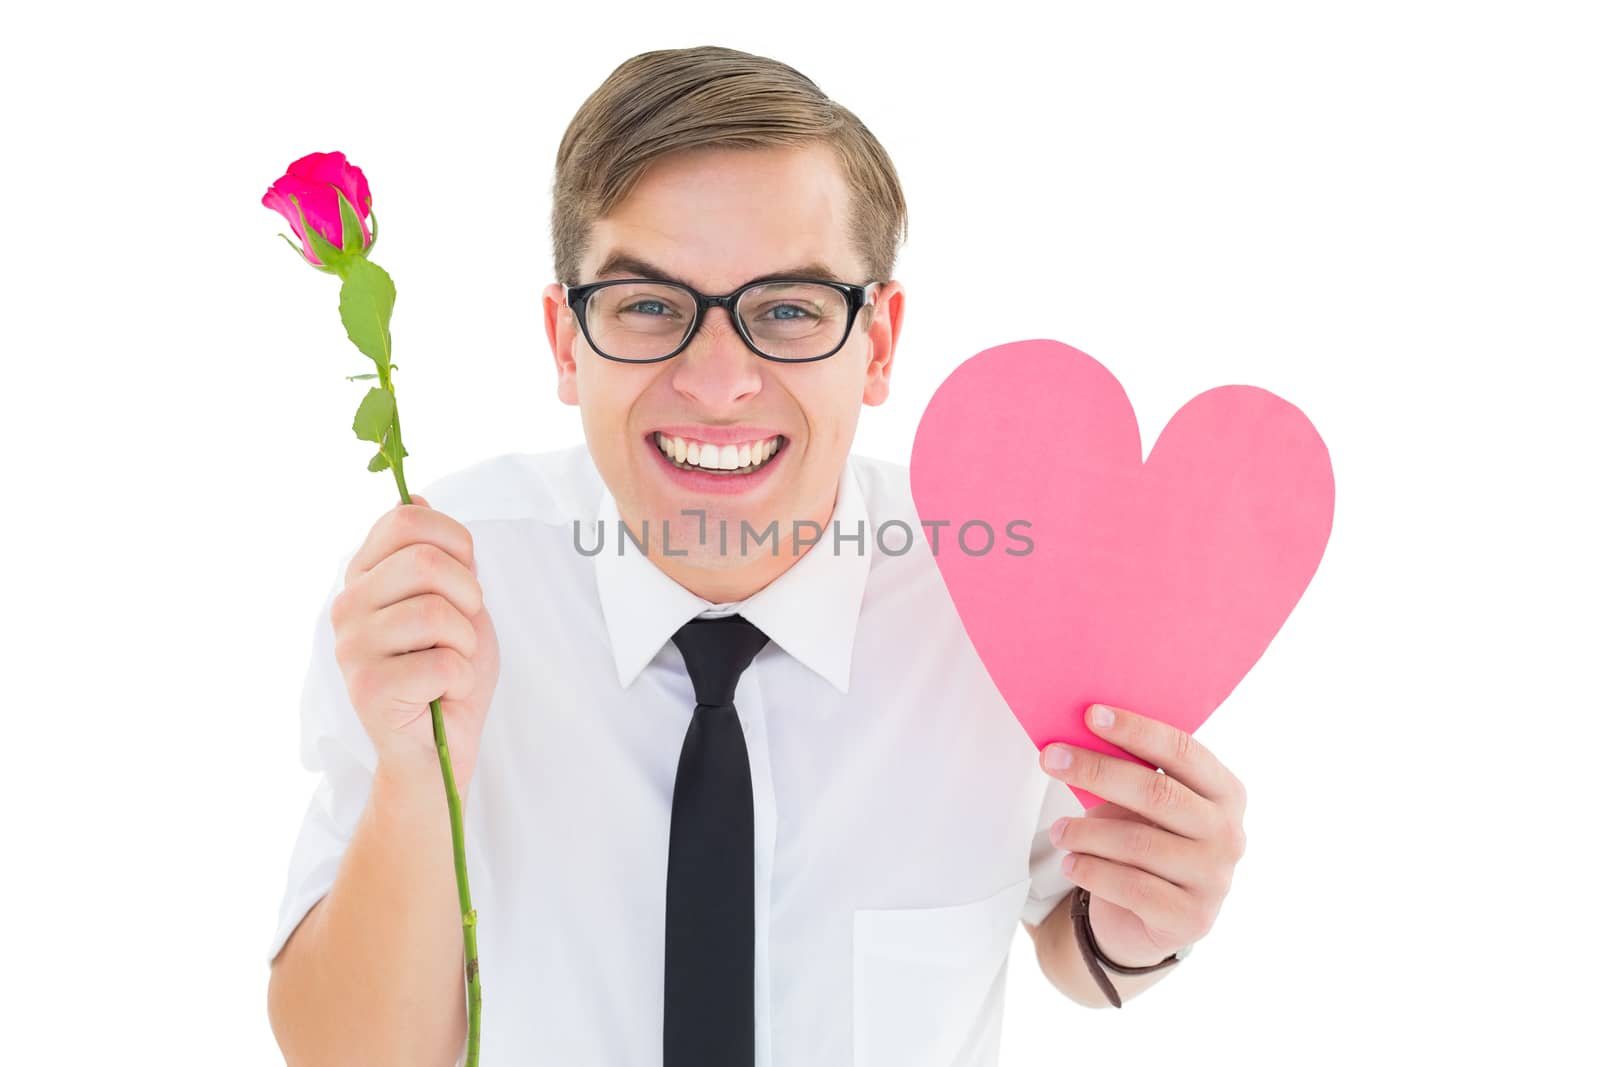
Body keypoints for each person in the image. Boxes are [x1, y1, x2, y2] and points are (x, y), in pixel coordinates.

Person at [265, 44, 1247, 1067]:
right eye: (648, 306)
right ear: (565, 341)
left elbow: (1068, 930)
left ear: (877, 345)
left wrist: (1141, 925)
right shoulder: (433, 591)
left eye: (787, 309)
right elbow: (344, 1050)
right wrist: (418, 777)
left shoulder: (1003, 592)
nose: (719, 379)